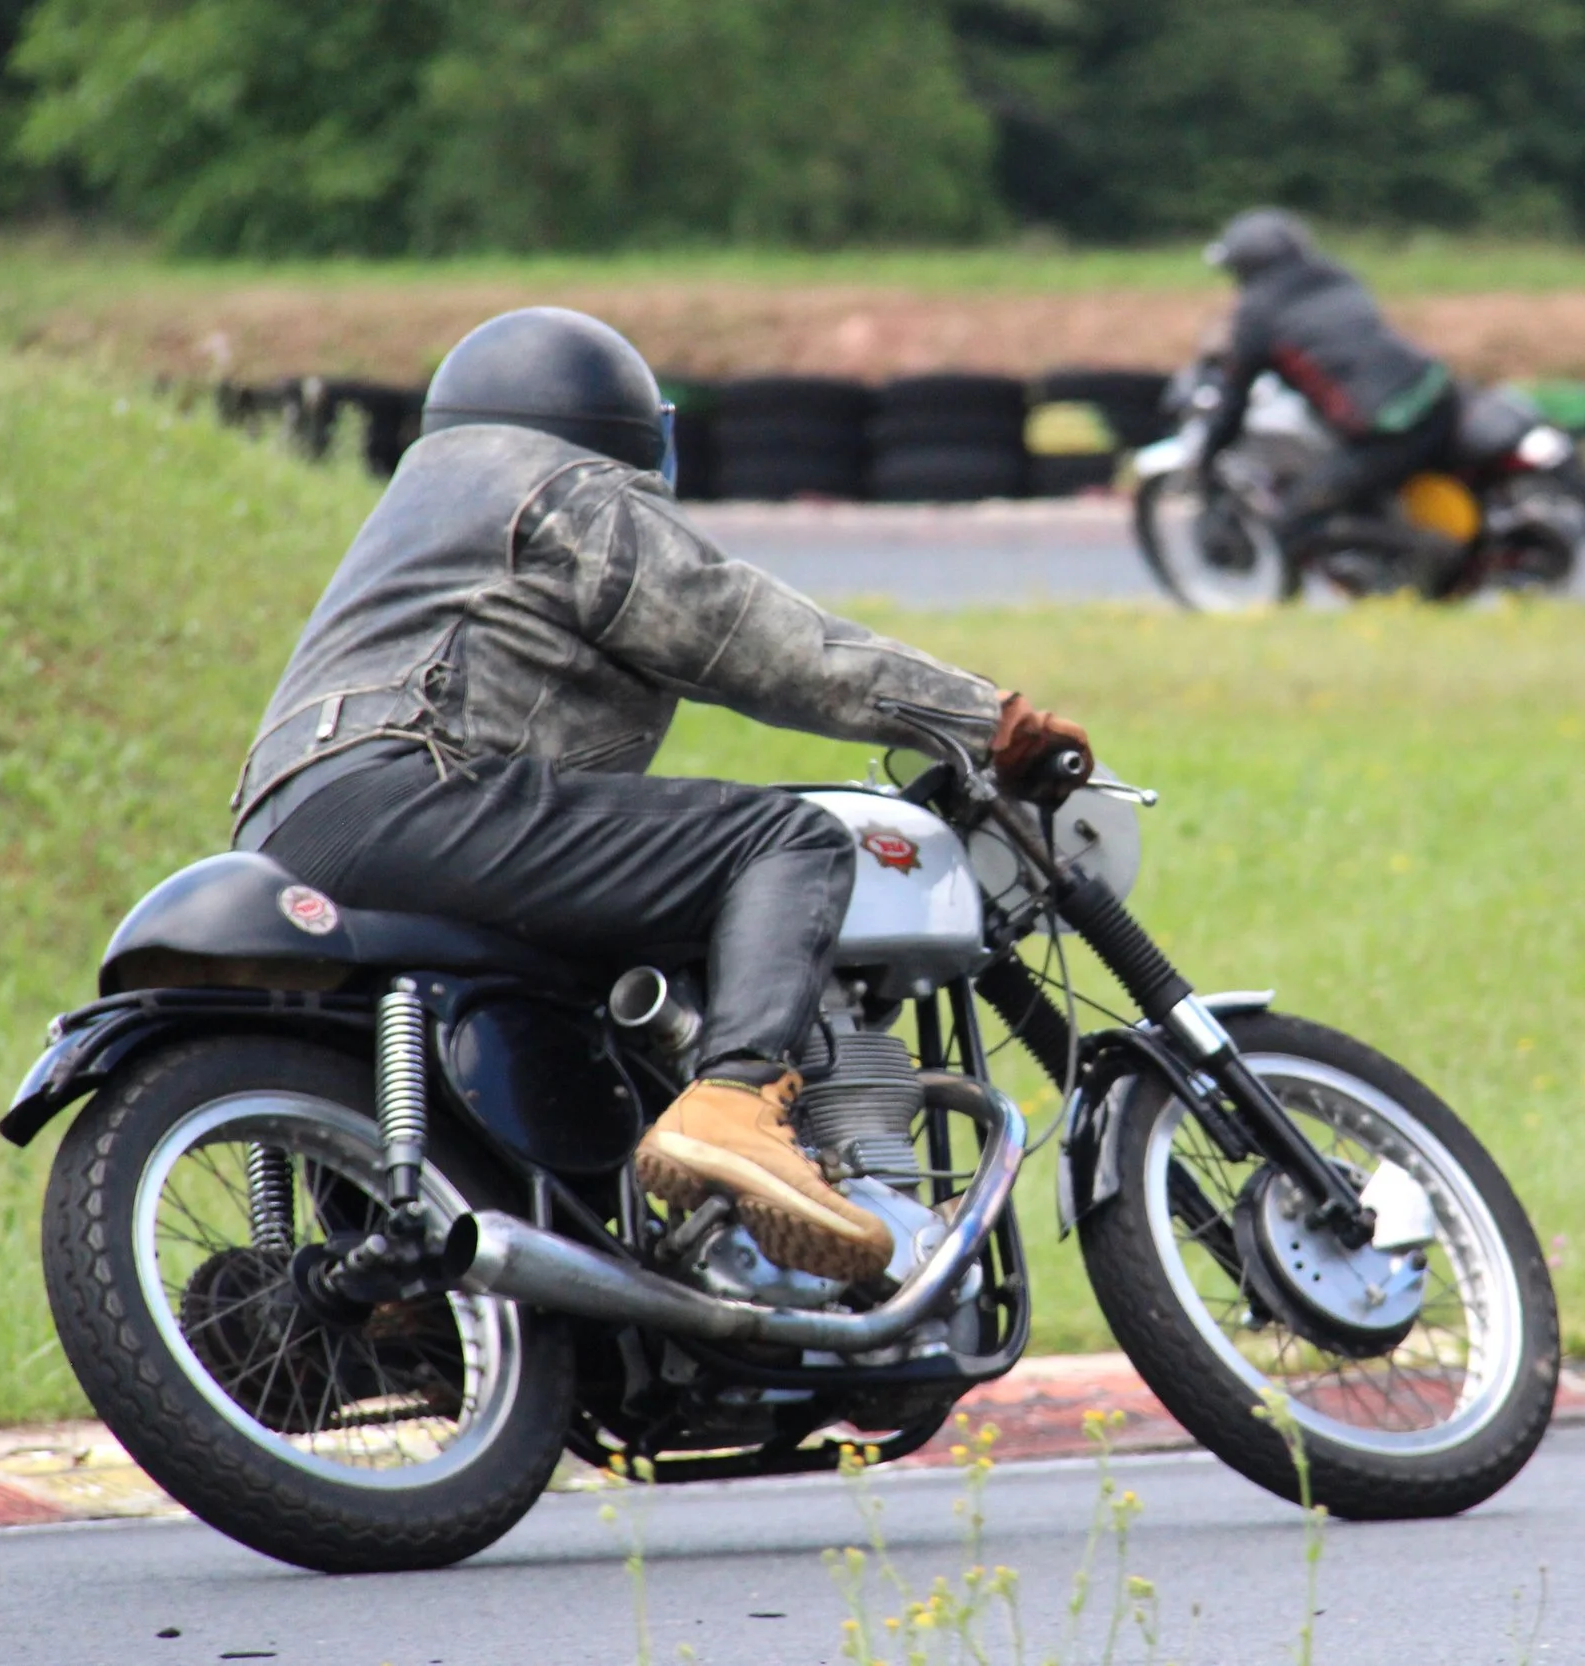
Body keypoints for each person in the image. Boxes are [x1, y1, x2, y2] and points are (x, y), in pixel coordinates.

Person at [227, 307, 1091, 1284]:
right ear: (620, 422)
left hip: (282, 830)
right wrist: (983, 717)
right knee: (785, 840)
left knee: (577, 1014)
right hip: (418, 794)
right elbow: (751, 636)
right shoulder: (561, 487)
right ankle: (735, 1103)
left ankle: (421, 1299)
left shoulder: (417, 515)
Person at [1199, 208, 1461, 578]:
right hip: (1438, 391)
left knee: (1292, 524)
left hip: (1388, 428)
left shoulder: (1258, 315)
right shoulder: (1336, 275)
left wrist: (1208, 454)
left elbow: (1233, 401)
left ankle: (1427, 548)